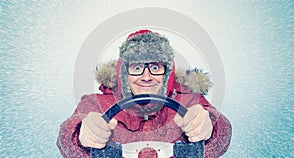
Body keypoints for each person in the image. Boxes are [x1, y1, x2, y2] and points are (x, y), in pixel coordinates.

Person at [57, 30, 232, 158]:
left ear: (168, 72)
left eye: (155, 67)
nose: (146, 76)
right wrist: (81, 135)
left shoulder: (188, 100)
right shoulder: (95, 103)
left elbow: (222, 134)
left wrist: (209, 127)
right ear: (123, 72)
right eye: (137, 67)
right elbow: (65, 140)